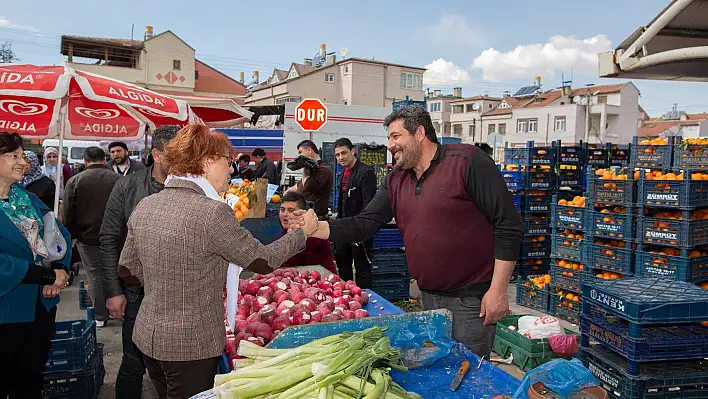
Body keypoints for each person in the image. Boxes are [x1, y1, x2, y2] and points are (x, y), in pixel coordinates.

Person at [293, 106, 524, 356]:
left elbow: (508, 225)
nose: (390, 145)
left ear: (420, 133)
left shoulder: (467, 161)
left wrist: (498, 290)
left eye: (395, 136)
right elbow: (363, 224)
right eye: (389, 138)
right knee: (441, 374)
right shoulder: (395, 179)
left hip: (470, 303)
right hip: (428, 299)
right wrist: (318, 228)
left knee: (470, 377)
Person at [119, 124, 319, 398]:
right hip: (191, 344)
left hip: (147, 336)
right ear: (207, 161)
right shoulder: (212, 212)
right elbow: (263, 261)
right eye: (228, 161)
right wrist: (302, 233)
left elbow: (127, 268)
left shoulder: (147, 204)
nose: (232, 169)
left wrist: (164, 282)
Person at [99, 125, 181, 399]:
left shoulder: (195, 188)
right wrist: (113, 290)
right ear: (157, 155)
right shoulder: (128, 187)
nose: (183, 160)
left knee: (176, 365)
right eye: (176, 154)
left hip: (180, 294)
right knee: (133, 362)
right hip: (136, 292)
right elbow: (109, 239)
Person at [0, 132, 72, 398]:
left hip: (40, 306)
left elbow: (57, 233)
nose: (22, 162)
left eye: (22, 156)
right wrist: (45, 276)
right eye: (12, 156)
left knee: (31, 377)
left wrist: (61, 269)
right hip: (6, 310)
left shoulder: (25, 198)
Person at [63, 147, 120, 327]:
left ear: (86, 162)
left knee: (95, 276)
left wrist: (71, 235)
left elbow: (68, 212)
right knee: (115, 273)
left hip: (87, 237)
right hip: (117, 236)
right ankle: (118, 310)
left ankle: (100, 316)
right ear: (105, 160)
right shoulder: (119, 179)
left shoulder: (75, 181)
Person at [332, 138, 377, 288]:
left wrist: (363, 232)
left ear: (353, 151)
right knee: (343, 265)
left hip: (359, 228)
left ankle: (366, 300)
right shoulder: (344, 172)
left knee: (362, 267)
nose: (341, 157)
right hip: (344, 226)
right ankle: (347, 297)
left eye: (344, 153)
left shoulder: (366, 172)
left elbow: (368, 204)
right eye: (337, 155)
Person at [279, 191, 336, 274]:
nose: (284, 214)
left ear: (301, 212)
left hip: (323, 278)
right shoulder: (289, 228)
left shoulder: (311, 232)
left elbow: (289, 260)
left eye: (291, 210)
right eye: (282, 209)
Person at [286, 140, 334, 220]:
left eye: (300, 152)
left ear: (310, 151)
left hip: (315, 219)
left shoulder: (323, 170)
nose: (299, 155)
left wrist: (304, 167)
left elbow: (307, 186)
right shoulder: (310, 170)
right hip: (304, 216)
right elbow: (299, 185)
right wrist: (287, 192)